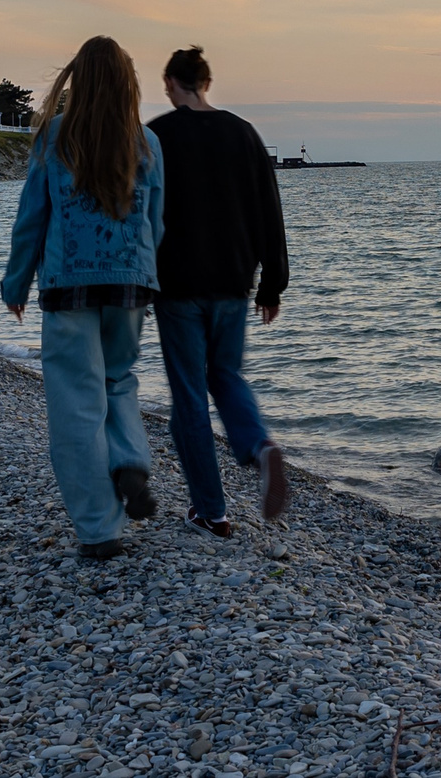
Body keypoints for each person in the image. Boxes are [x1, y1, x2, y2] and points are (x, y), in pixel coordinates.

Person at [1, 36, 166, 561]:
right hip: (130, 285)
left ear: (77, 81)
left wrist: (16, 282)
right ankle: (131, 460)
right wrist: (146, 278)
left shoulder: (54, 137)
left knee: (76, 402)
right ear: (128, 84)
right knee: (119, 380)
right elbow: (156, 224)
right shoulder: (146, 143)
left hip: (68, 286)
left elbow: (33, 217)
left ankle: (99, 530)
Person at [147, 45, 292, 537]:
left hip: (177, 285)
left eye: (166, 83)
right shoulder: (243, 133)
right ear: (206, 82)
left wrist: (138, 278)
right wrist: (272, 284)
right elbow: (268, 213)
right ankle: (258, 446)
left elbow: (141, 209)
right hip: (233, 281)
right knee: (225, 375)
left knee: (189, 395)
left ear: (172, 83)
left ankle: (212, 509)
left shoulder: (158, 136)